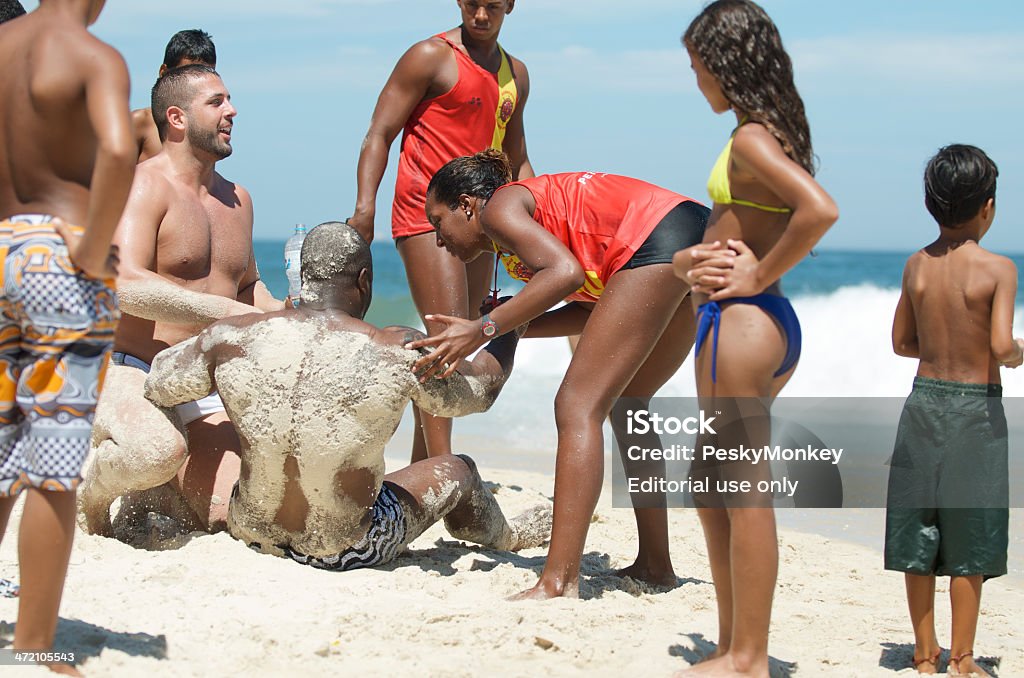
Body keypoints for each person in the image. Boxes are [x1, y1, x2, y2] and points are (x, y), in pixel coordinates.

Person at [133, 222, 548, 567]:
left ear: (304, 278)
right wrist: (506, 329)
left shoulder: (232, 337)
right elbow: (477, 393)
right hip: (350, 547)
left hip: (251, 531)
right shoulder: (397, 350)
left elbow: (159, 383)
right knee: (460, 469)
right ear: (365, 281)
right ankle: (507, 536)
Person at [406, 150, 709, 598]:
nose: (437, 238)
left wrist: (483, 327)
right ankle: (656, 566)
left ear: (468, 206)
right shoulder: (518, 237)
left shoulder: (502, 208)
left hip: (658, 239)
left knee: (576, 407)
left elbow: (565, 274)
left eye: (438, 221)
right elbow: (596, 311)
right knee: (629, 404)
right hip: (689, 234)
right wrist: (508, 324)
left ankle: (559, 579)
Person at [673, 1, 838, 675]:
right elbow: (735, 223)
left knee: (741, 491)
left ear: (724, 64)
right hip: (752, 323)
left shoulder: (750, 139)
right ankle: (730, 644)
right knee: (713, 485)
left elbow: (819, 209)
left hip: (741, 326)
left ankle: (746, 656)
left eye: (697, 68)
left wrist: (758, 275)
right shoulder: (763, 131)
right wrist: (690, 266)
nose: (695, 81)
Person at [79, 65, 282, 536]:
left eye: (228, 99)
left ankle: (163, 484)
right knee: (155, 452)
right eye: (216, 102)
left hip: (205, 385)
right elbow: (124, 282)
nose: (231, 110)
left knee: (226, 513)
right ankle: (90, 492)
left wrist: (292, 313)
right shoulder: (141, 184)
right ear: (176, 117)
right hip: (135, 369)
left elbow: (248, 288)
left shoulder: (239, 199)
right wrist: (229, 313)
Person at [0, 0, 134, 673]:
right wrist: (94, 248)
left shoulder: (3, 44)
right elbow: (117, 147)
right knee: (51, 467)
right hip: (60, 256)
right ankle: (34, 645)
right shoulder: (92, 54)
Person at [348, 0, 533, 464]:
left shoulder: (516, 75)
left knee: (454, 343)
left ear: (510, 5)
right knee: (448, 340)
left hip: (481, 220)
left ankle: (422, 469)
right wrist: (364, 207)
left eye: (493, 5)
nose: (481, 15)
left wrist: (535, 225)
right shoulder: (431, 55)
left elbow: (517, 156)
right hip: (425, 214)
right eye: (472, 3)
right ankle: (443, 470)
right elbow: (379, 132)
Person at [886, 145, 1020, 677]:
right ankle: (962, 660)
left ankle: (924, 654)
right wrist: (1016, 350)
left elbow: (901, 342)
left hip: (922, 404)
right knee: (972, 533)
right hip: (974, 413)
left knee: (919, 527)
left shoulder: (917, 264)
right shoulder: (998, 269)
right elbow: (1002, 346)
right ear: (988, 206)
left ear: (930, 204)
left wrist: (943, 347)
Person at [132, 29, 217, 162]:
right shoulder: (141, 123)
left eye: (205, 76)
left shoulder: (208, 129)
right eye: (188, 75)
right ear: (163, 72)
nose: (196, 84)